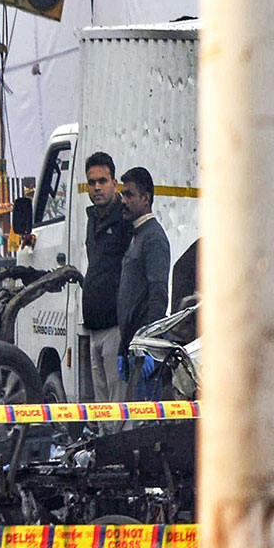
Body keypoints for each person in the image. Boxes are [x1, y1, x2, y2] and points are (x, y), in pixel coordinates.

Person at [114, 166, 171, 383]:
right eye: (122, 195)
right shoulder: (137, 235)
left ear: (146, 198)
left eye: (129, 195)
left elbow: (158, 294)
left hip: (144, 350)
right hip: (132, 346)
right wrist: (122, 346)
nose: (124, 201)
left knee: (143, 416)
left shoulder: (154, 238)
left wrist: (150, 345)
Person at [81, 151, 130, 402]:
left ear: (114, 183)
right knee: (101, 405)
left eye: (102, 181)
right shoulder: (92, 220)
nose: (97, 187)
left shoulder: (124, 221)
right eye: (92, 182)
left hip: (116, 326)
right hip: (94, 325)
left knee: (117, 402)